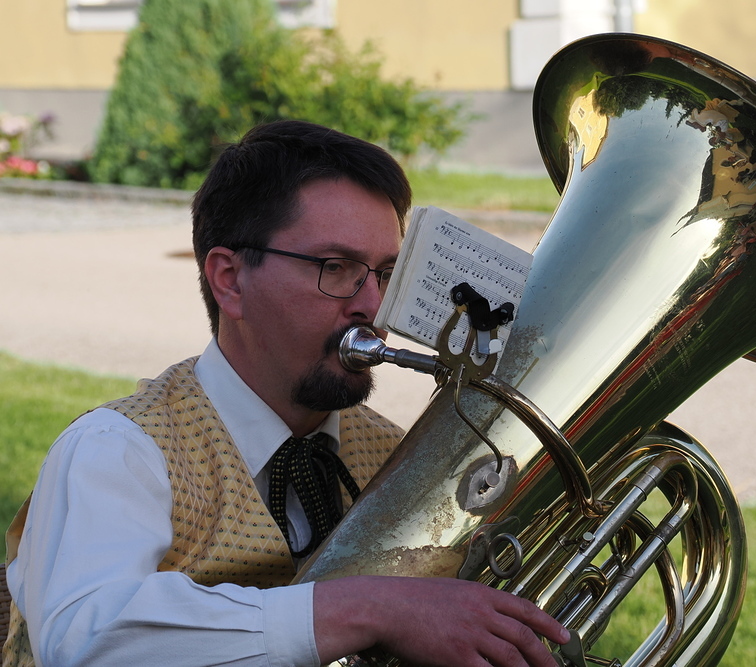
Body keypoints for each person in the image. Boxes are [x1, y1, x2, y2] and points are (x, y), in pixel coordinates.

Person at [2, 120, 569, 666]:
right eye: (336, 267)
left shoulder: (398, 458)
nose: (373, 308)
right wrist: (371, 609)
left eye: (385, 273)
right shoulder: (117, 452)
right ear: (229, 279)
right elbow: (87, 639)